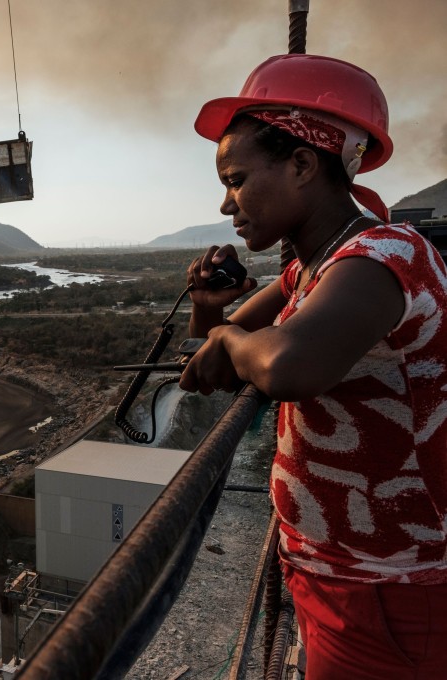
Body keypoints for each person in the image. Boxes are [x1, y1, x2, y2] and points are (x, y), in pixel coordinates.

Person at [178, 54, 447, 678]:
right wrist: (208, 311)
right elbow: (218, 357)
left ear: (302, 164)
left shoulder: (384, 255)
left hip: (390, 590)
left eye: (237, 179)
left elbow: (287, 364)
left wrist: (231, 339)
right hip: (338, 575)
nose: (227, 205)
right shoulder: (311, 270)